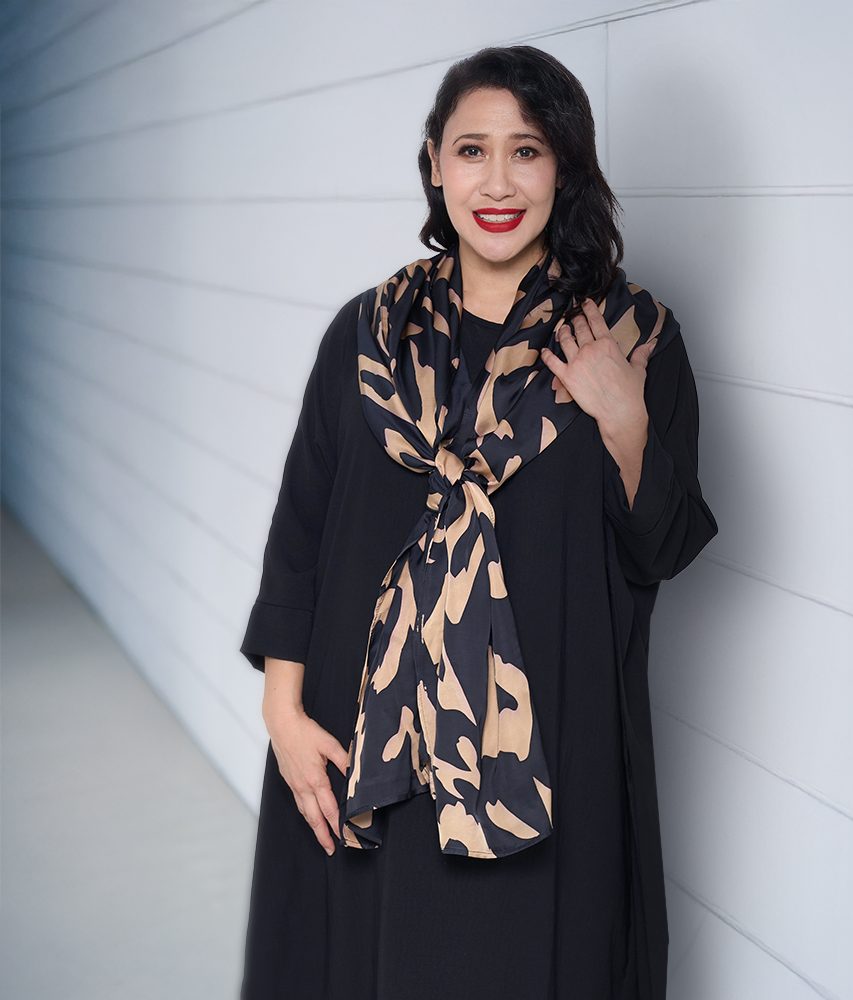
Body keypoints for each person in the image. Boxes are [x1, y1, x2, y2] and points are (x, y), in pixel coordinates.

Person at [239, 45, 717, 1000]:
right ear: (433, 163)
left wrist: (622, 419)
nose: (497, 182)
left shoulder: (631, 338)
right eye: (471, 151)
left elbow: (662, 545)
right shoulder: (366, 335)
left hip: (544, 760)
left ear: (566, 168)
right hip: (365, 749)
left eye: (528, 152)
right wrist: (284, 715)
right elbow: (300, 535)